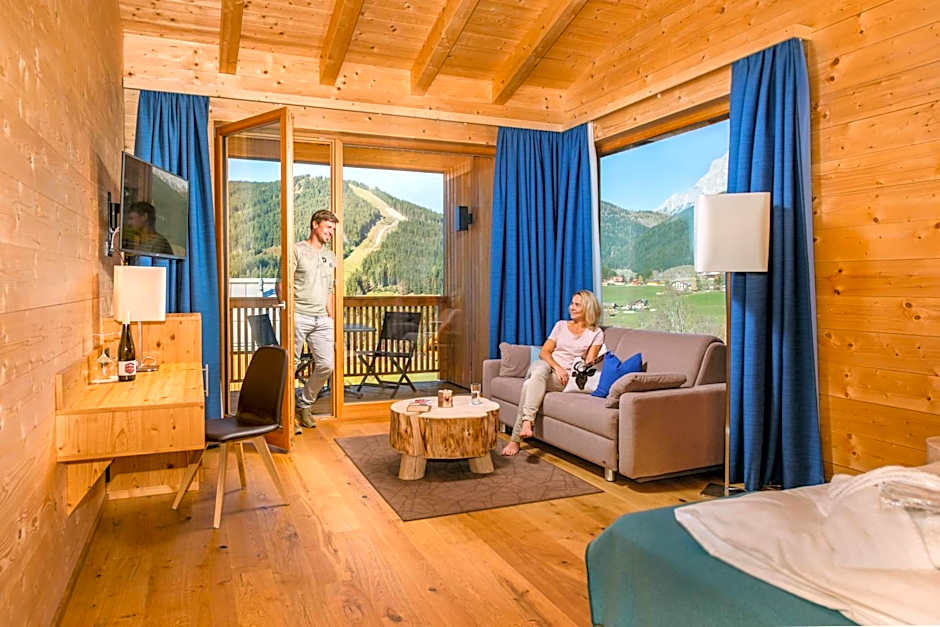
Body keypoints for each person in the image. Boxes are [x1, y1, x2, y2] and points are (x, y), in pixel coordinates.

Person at [501, 290, 604, 456]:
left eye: (577, 305)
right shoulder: (561, 325)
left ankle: (517, 437)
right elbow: (544, 352)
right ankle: (527, 422)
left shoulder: (596, 333)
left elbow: (588, 363)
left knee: (529, 385)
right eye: (572, 303)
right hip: (548, 365)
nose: (571, 307)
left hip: (564, 378)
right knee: (539, 370)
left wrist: (600, 359)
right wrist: (558, 367)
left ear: (588, 308)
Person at [277, 209, 339, 429]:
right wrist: (289, 312)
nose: (331, 232)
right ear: (315, 224)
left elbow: (329, 290)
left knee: (326, 365)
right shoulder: (296, 250)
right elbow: (282, 284)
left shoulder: (330, 256)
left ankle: (303, 404)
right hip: (298, 316)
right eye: (328, 227)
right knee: (290, 366)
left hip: (322, 320)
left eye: (333, 229)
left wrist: (331, 318)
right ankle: (284, 415)